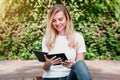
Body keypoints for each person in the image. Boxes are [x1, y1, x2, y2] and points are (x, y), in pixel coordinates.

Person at [41, 4, 92, 80]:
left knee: (80, 64)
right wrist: (48, 63)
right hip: (51, 77)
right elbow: (45, 68)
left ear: (67, 19)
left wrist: (73, 65)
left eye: (60, 19)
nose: (57, 23)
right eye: (54, 21)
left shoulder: (78, 37)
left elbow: (80, 66)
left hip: (69, 77)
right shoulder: (47, 38)